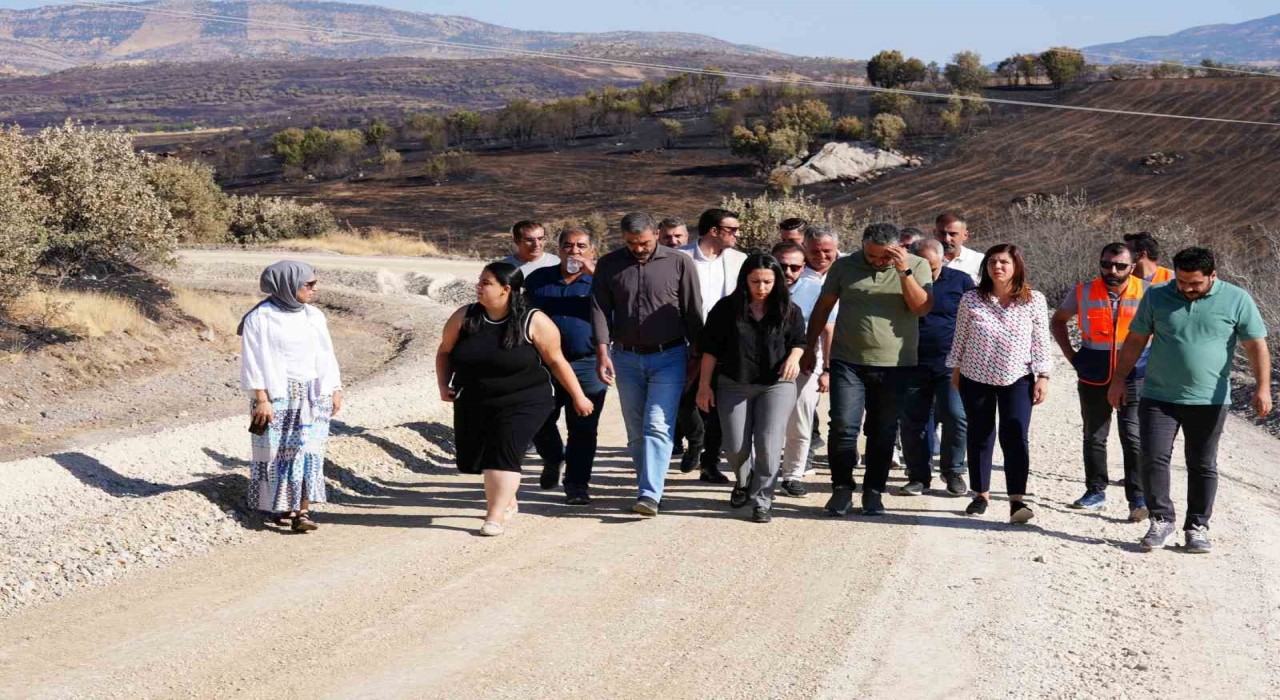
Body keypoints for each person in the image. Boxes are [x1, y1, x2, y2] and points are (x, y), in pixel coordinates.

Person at [1108, 247, 1271, 554]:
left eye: (1195, 283)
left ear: (1213, 275)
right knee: (1153, 457)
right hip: (1158, 395)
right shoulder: (1157, 296)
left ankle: (1197, 526)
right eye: (1182, 282)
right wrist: (1119, 380)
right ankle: (1161, 519)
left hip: (1209, 399)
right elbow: (1135, 341)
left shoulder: (1237, 299)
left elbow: (1256, 346)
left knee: (1202, 463)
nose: (1186, 288)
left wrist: (1262, 387)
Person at [436, 262, 594, 536]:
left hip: (526, 399)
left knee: (503, 452)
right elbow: (444, 352)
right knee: (475, 458)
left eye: (486, 282)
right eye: (479, 281)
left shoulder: (534, 320)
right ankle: (506, 498)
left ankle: (494, 517)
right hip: (475, 398)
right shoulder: (465, 316)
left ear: (506, 289)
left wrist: (578, 396)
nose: (479, 286)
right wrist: (443, 385)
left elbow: (557, 361)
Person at [802, 223, 934, 516]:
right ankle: (842, 488)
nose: (876, 262)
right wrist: (810, 347)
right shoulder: (845, 266)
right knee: (843, 427)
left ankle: (874, 491)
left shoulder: (918, 265)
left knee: (882, 430)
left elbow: (922, 308)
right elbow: (823, 306)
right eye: (871, 255)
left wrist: (902, 271)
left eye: (883, 257)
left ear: (898, 248)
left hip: (895, 364)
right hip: (848, 360)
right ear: (862, 245)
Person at [591, 212, 703, 516]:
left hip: (670, 356)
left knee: (657, 424)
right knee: (636, 429)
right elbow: (600, 309)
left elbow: (694, 310)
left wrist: (698, 356)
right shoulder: (609, 264)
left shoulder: (680, 262)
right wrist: (603, 351)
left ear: (656, 233)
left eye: (643, 242)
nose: (638, 249)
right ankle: (648, 487)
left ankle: (650, 493)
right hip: (625, 357)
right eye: (631, 243)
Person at [947, 244, 1052, 522]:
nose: (998, 267)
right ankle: (980, 495)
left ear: (1016, 266)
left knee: (1015, 435)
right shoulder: (971, 299)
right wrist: (955, 369)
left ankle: (1017, 500)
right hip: (974, 375)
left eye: (1004, 262)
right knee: (980, 434)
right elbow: (960, 336)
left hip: (1018, 377)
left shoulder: (1034, 300)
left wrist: (1043, 376)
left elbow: (1041, 341)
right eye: (992, 261)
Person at [697, 255, 806, 523]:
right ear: (744, 280)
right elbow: (710, 350)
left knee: (768, 445)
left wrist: (794, 358)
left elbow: (799, 341)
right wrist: (703, 387)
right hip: (734, 384)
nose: (762, 287)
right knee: (734, 446)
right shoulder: (726, 309)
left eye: (768, 281)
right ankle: (744, 480)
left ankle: (762, 500)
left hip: (776, 385)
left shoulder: (789, 309)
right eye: (755, 281)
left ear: (777, 281)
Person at [239, 260, 343, 533]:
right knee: (278, 453)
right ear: (287, 285)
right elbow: (252, 361)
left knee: (308, 451)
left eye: (314, 283)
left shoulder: (314, 316)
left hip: (313, 393)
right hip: (278, 395)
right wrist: (262, 398)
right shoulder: (260, 318)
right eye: (308, 284)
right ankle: (283, 506)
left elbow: (326, 354)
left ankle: (303, 511)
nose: (313, 289)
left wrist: (335, 387)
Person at [1050, 242, 1150, 521]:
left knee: (1134, 437)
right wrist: (1073, 357)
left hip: (1135, 374)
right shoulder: (1082, 291)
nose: (1112, 270)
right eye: (1106, 264)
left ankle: (1139, 498)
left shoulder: (1149, 292)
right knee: (1094, 435)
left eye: (1120, 266)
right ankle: (1095, 491)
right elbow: (1058, 321)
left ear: (1132, 266)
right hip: (1094, 373)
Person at [527, 228, 611, 505]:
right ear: (559, 248)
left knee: (583, 427)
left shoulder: (601, 281)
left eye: (581, 246)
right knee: (538, 418)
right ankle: (553, 458)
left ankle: (576, 485)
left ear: (592, 251)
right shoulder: (539, 279)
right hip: (543, 364)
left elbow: (622, 304)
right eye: (568, 245)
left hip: (586, 363)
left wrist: (595, 276)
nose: (574, 251)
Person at [676, 208, 747, 484]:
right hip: (684, 341)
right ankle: (696, 438)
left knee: (719, 405)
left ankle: (709, 463)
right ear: (713, 231)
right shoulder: (679, 257)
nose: (738, 235)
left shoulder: (740, 261)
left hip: (724, 343)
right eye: (733, 230)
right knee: (682, 400)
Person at [904, 238, 974, 497]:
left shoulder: (961, 281)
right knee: (914, 420)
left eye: (933, 267)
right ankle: (918, 476)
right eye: (923, 266)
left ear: (943, 260)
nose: (929, 272)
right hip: (911, 360)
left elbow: (975, 318)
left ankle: (953, 471)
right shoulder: (902, 279)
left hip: (951, 361)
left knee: (956, 415)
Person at [772, 241, 830, 497]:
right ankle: (758, 473)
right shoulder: (757, 286)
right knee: (762, 423)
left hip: (805, 364)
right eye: (781, 265)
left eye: (794, 267)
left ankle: (793, 474)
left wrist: (827, 368)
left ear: (803, 266)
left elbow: (828, 330)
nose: (788, 272)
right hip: (762, 365)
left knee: (800, 420)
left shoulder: (817, 289)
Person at [934, 212, 983, 284]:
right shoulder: (925, 261)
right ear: (935, 232)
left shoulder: (979, 261)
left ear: (965, 235)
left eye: (953, 234)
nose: (947, 239)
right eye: (942, 233)